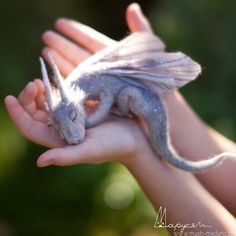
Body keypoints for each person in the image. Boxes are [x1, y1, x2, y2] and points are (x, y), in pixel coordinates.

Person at [4, 3, 236, 234]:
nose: (72, 135)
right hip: (137, 97)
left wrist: (94, 121)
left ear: (76, 109)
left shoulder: (84, 89)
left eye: (73, 122)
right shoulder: (75, 89)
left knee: (126, 94)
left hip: (139, 99)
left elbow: (106, 95)